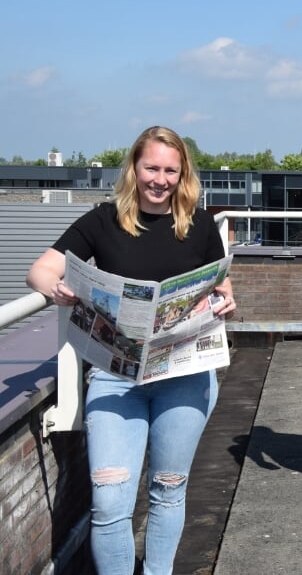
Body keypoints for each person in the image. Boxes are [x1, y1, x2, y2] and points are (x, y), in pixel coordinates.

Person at [26, 126, 236, 575]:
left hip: (183, 375)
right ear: (134, 169)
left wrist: (224, 300)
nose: (160, 180)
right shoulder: (102, 220)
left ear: (183, 175)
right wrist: (57, 287)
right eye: (151, 168)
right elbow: (40, 270)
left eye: (170, 171)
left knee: (168, 489)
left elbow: (221, 285)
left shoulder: (198, 224)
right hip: (114, 376)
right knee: (109, 500)